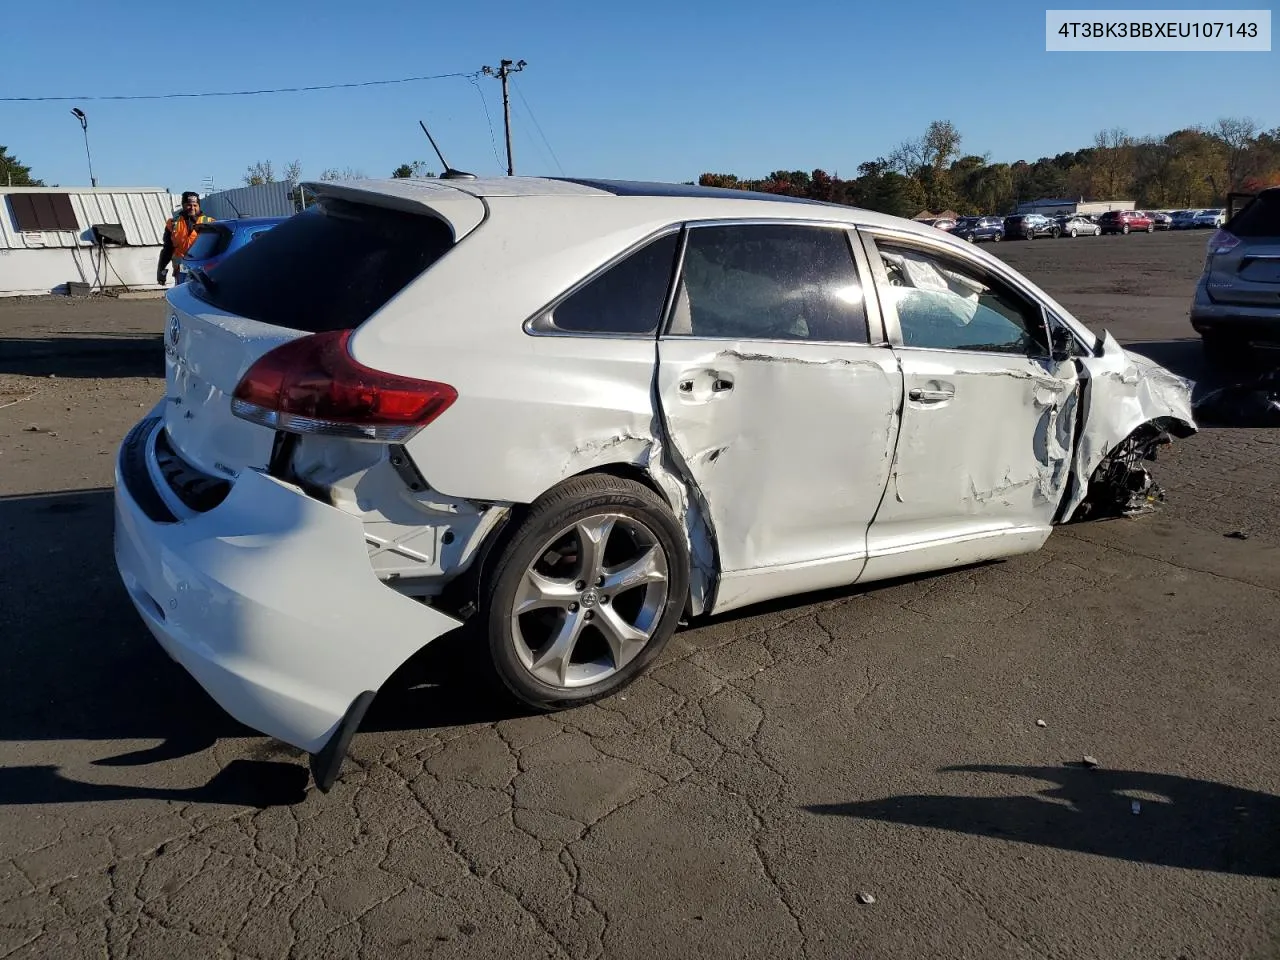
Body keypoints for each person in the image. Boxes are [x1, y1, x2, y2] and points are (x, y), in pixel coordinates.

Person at [157, 192, 213, 286]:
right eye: (189, 205)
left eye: (195, 205)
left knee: (201, 296)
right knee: (182, 295)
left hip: (202, 270)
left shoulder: (210, 223)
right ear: (183, 205)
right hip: (181, 271)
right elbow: (167, 249)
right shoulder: (173, 223)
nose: (192, 208)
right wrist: (161, 270)